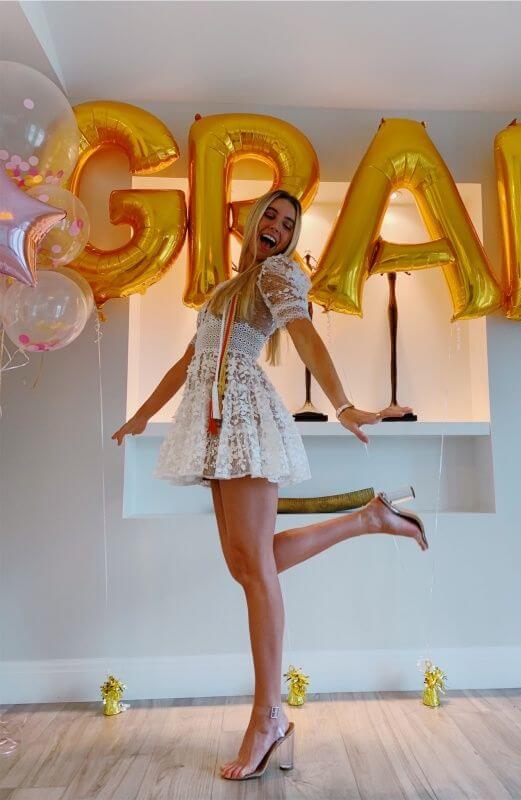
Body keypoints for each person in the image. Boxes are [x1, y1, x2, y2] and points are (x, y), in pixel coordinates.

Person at [112, 189, 428, 782]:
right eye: (272, 217)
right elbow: (189, 361)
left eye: (289, 224)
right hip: (213, 423)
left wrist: (344, 404)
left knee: (254, 570)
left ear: (288, 239)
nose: (278, 229)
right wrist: (142, 415)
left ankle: (268, 718)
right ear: (252, 222)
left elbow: (303, 334)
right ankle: (370, 518)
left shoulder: (280, 275)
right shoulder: (224, 290)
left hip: (244, 419)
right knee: (246, 564)